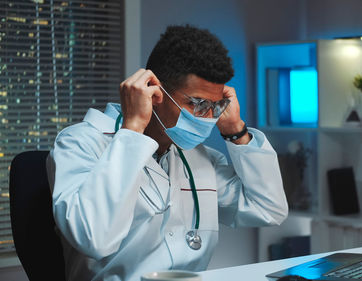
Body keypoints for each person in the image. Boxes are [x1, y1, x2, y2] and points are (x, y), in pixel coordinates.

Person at [46, 25, 288, 281]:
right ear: (154, 92)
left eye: (216, 106)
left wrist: (235, 131)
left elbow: (268, 210)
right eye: (198, 104)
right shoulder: (80, 143)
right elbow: (93, 238)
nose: (208, 118)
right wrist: (133, 130)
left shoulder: (197, 156)